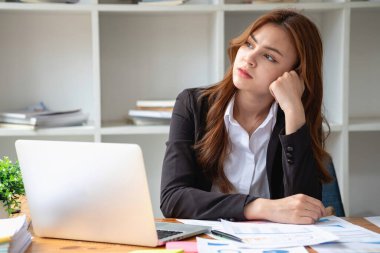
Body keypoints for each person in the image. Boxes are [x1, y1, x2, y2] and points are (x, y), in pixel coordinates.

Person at [160, 9, 333, 225]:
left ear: (295, 75)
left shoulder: (295, 116)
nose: (249, 58)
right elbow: (173, 198)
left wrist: (293, 112)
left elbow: (305, 209)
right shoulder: (193, 105)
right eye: (249, 44)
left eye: (269, 56)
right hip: (208, 239)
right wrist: (259, 206)